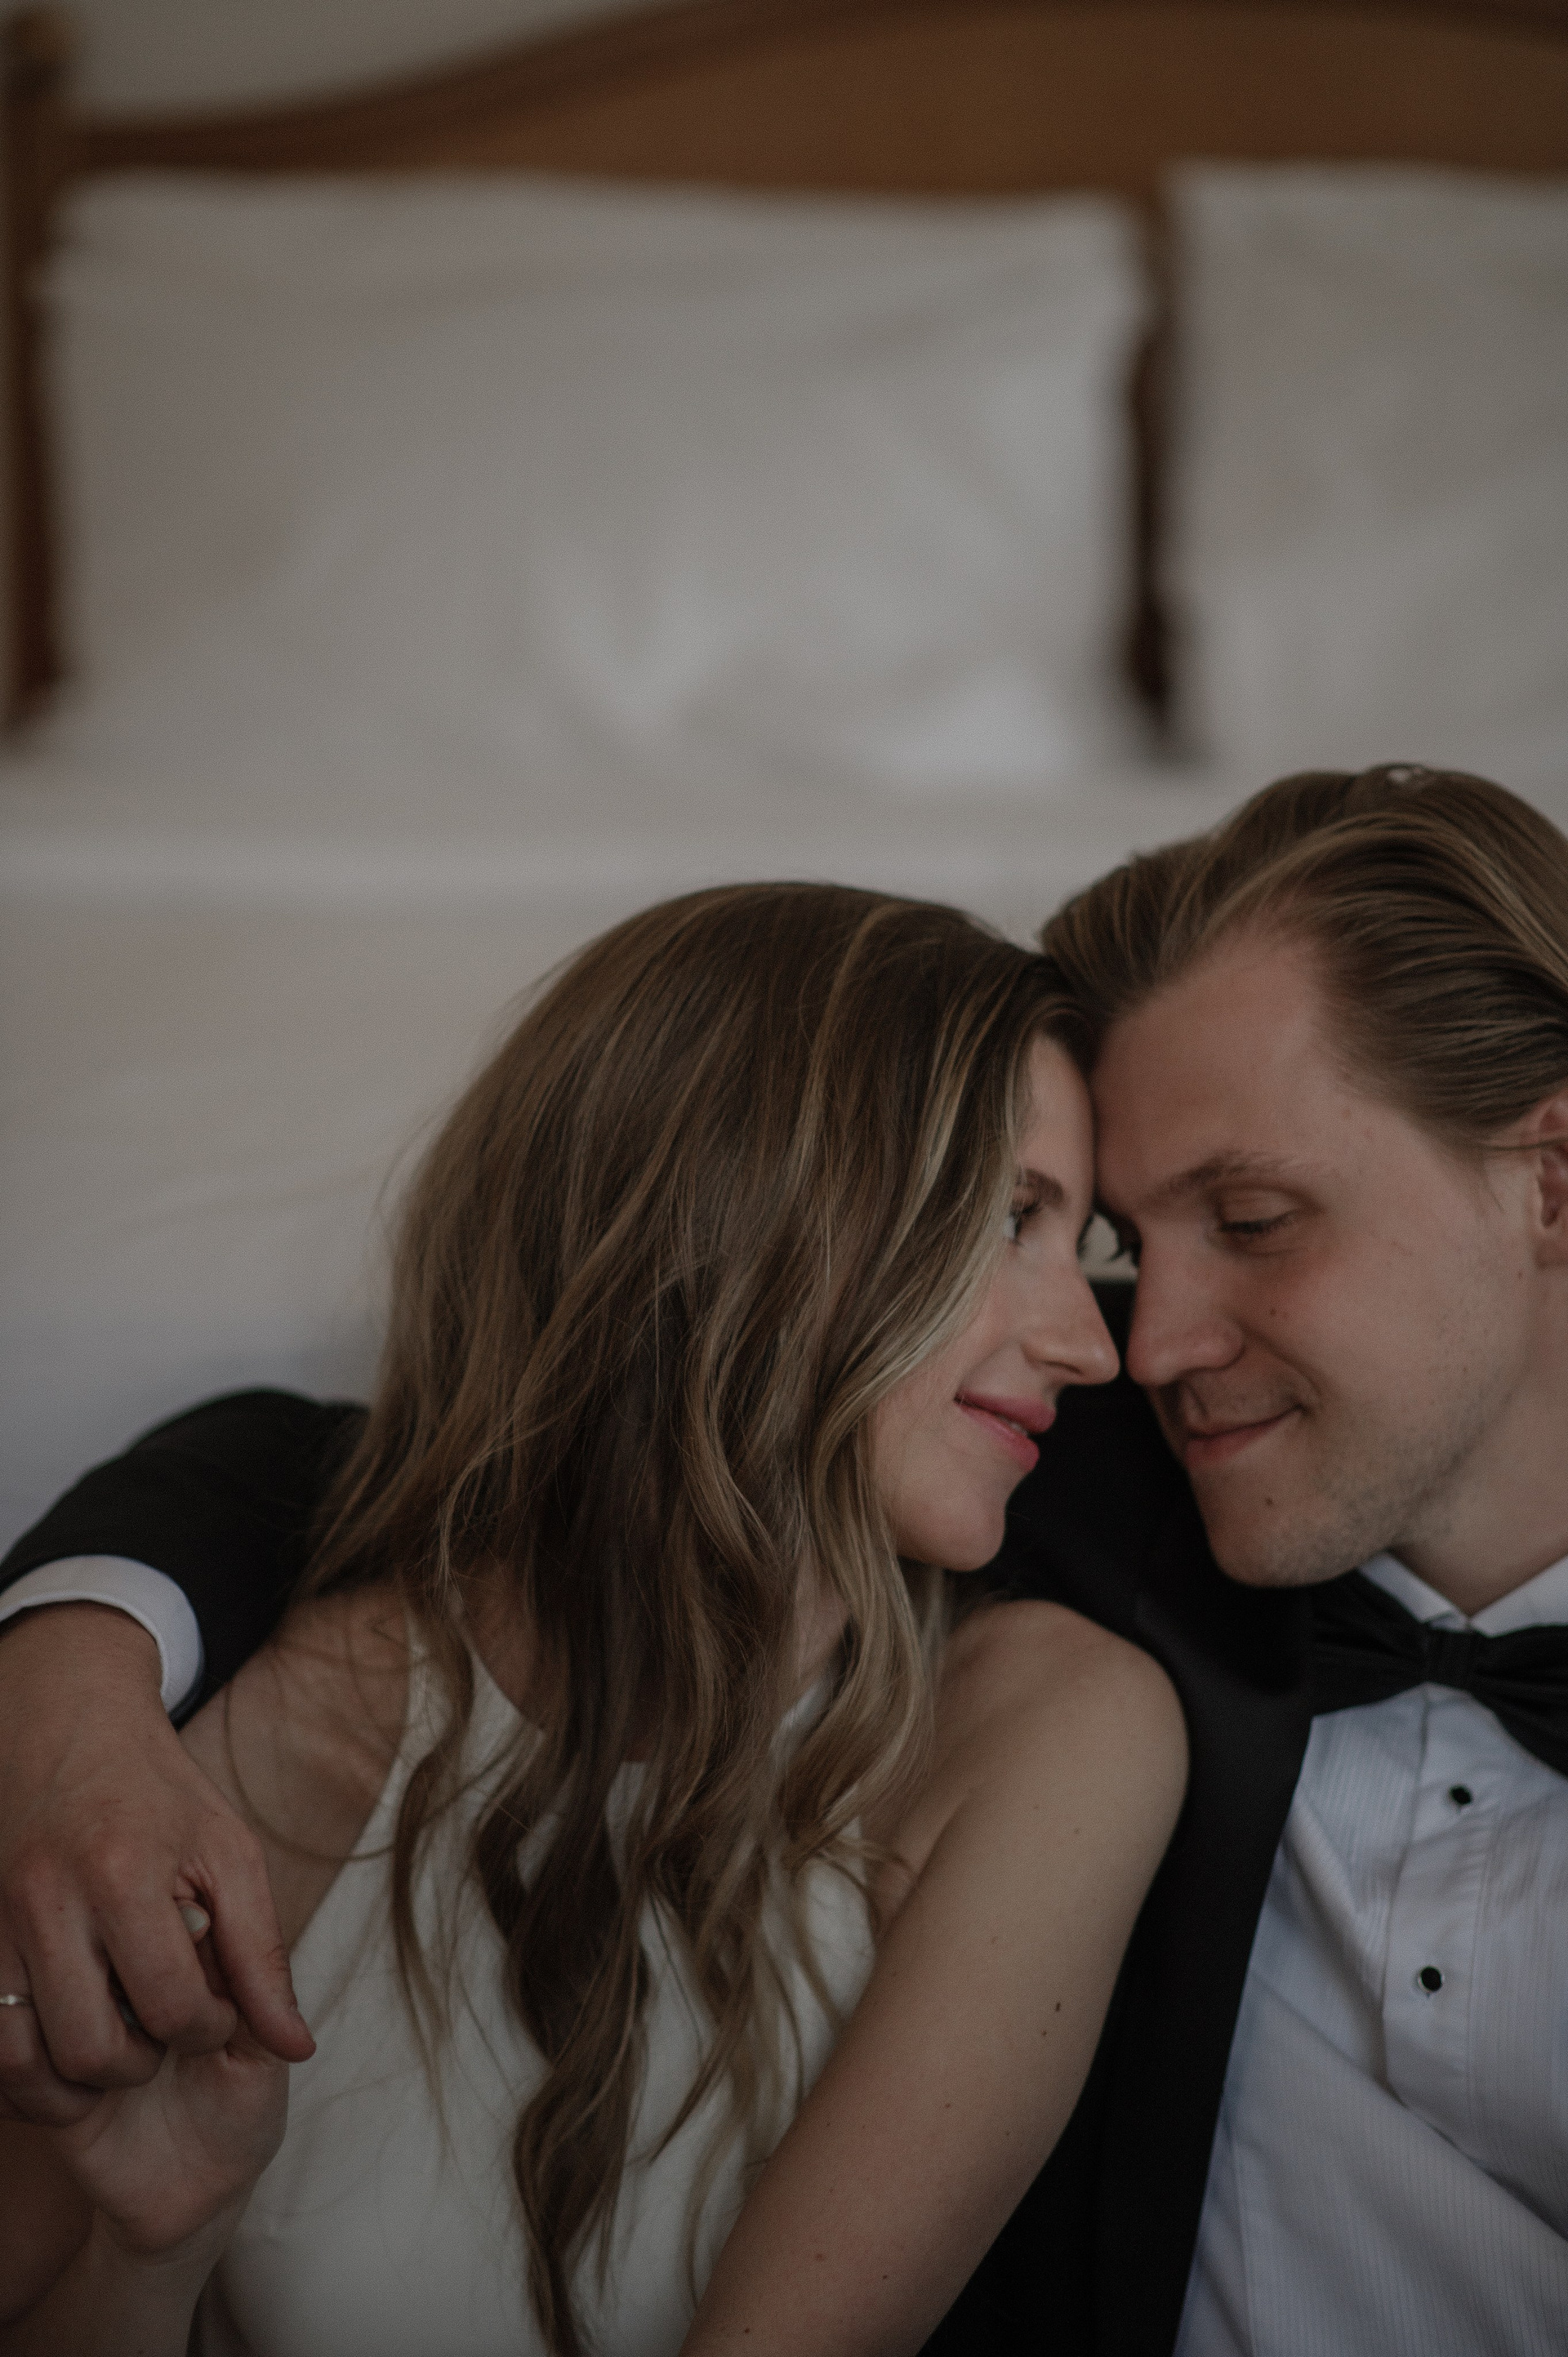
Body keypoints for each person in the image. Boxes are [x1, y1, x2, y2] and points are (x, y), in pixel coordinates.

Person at [7, 759, 1568, 2350]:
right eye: (1102, 1238)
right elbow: (384, 1459)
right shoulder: (1102, 1447)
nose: (1134, 1344)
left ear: (1552, 1181)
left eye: (1252, 1217)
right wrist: (71, 1670)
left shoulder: (1063, 1625)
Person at [0, 880, 1184, 2357]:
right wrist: (150, 2252)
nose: (1091, 1344)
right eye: (1011, 1218)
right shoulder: (299, 1722)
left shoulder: (1045, 1732)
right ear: (746, 1206)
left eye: (1083, 1243)